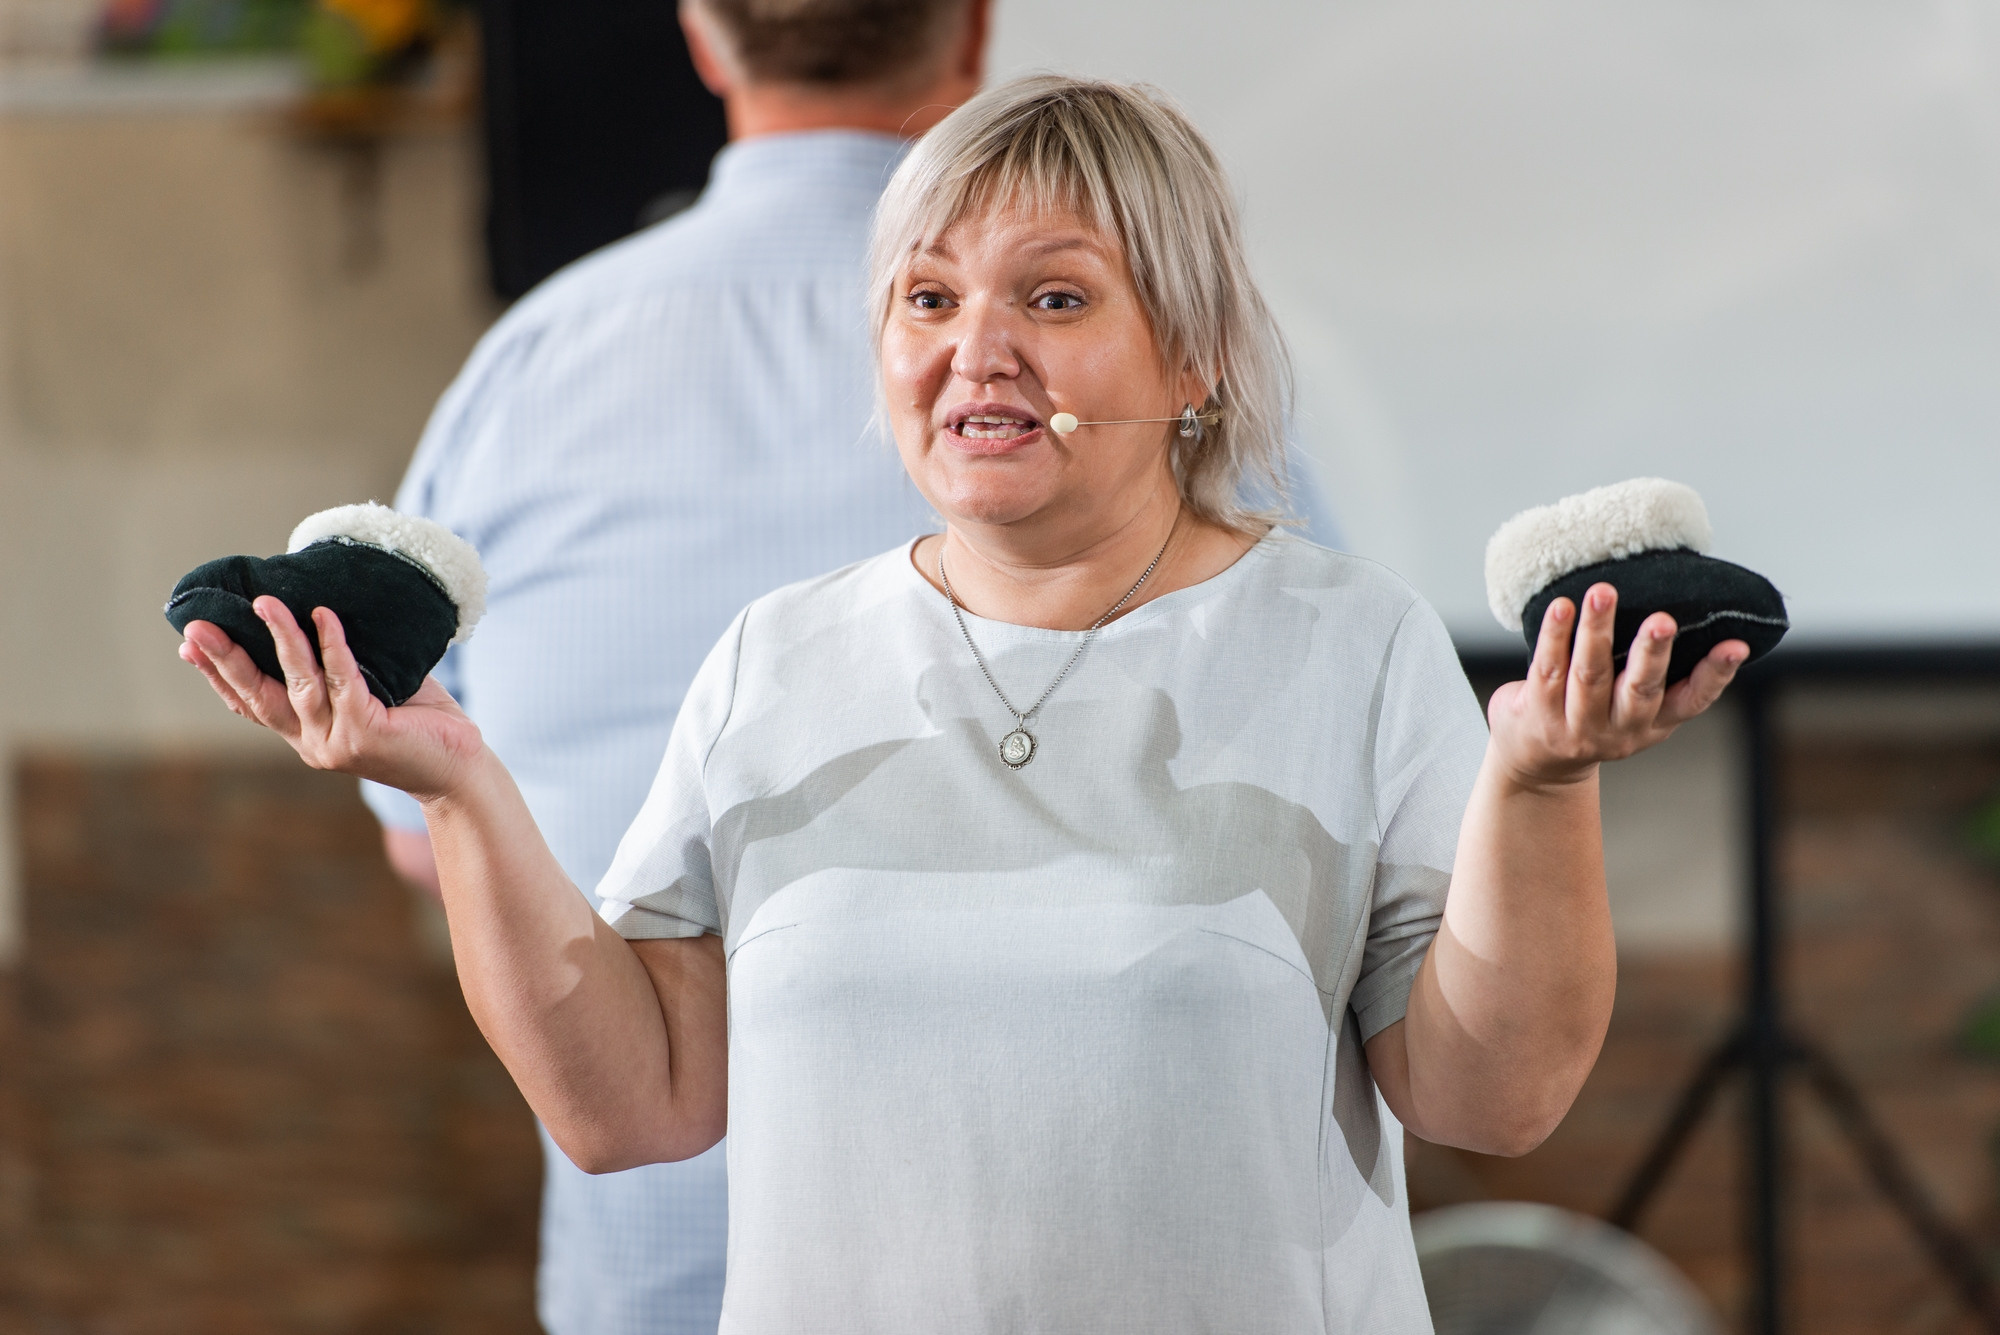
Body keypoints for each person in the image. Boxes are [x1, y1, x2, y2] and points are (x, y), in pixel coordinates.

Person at [178, 76, 1748, 1332]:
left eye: (1053, 300)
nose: (974, 351)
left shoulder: (1351, 644)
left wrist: (1541, 784)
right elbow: (632, 1106)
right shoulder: (776, 657)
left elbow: (1492, 1098)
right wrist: (459, 785)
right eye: (926, 300)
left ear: (1194, 355)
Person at [351, 2, 989, 1330]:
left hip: (659, 1267)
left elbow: (427, 837)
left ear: (703, 35)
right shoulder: (1121, 363)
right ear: (973, 29)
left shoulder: (530, 366)